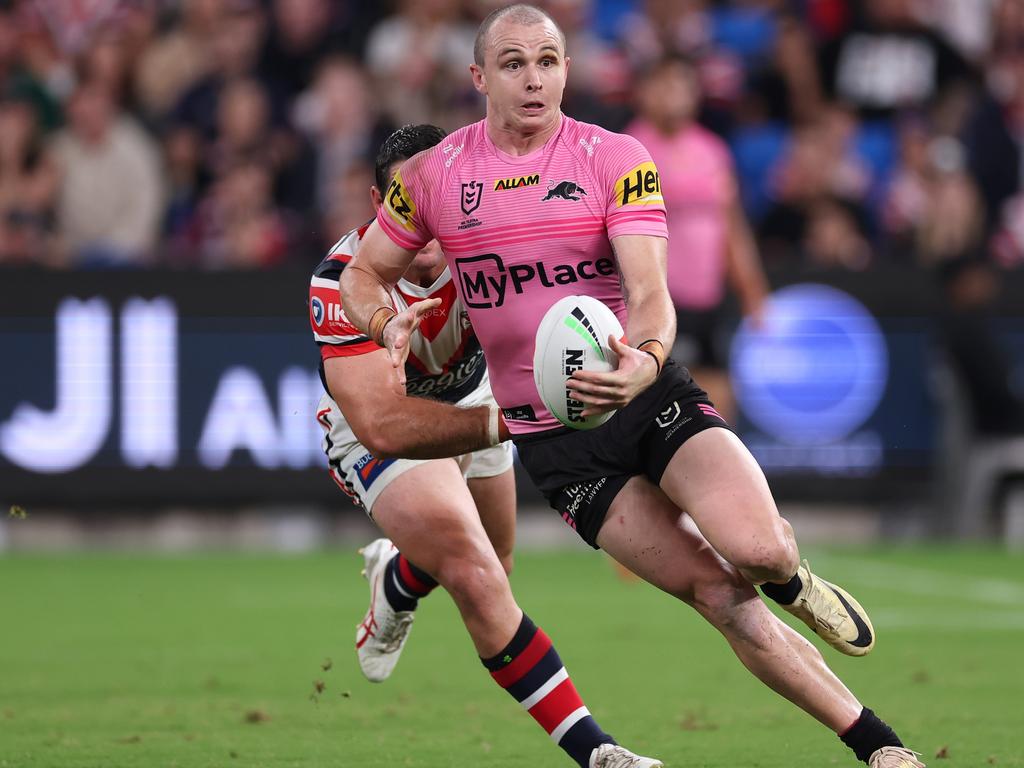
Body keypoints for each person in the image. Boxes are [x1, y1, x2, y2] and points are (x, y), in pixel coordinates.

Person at [340, 5, 926, 768]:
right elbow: (362, 273)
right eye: (514, 63)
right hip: (558, 446)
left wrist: (644, 361)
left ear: (568, 71)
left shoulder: (614, 157)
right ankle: (879, 748)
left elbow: (651, 292)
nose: (534, 78)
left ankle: (791, 574)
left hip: (644, 396)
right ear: (479, 77)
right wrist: (387, 324)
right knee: (718, 596)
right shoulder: (436, 175)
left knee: (757, 551)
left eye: (549, 61)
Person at [312, 123, 654, 768]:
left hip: (479, 398)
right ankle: (598, 752)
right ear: (378, 205)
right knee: (474, 572)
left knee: (493, 563)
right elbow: (386, 426)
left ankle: (399, 579)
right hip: (380, 425)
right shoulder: (341, 284)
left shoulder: (490, 240)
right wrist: (515, 421)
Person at [626, 53, 769, 421]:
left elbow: (731, 224)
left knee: (720, 398)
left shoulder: (713, 150)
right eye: (664, 83)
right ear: (644, 92)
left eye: (682, 84)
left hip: (709, 300)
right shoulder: (627, 151)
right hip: (655, 301)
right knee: (656, 404)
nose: (674, 93)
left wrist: (752, 290)